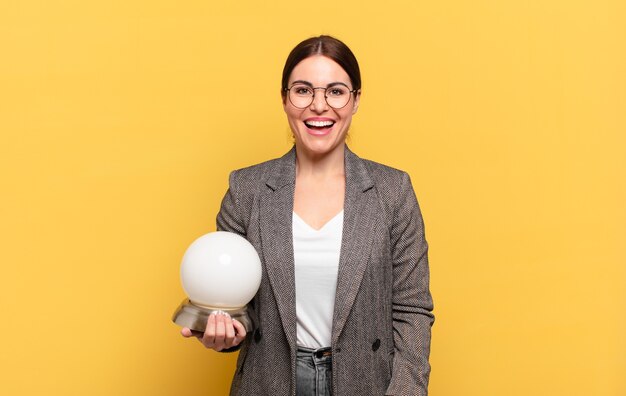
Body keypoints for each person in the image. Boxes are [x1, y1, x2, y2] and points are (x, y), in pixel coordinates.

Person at [181, 35, 434, 396]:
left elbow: (412, 311)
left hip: (367, 383)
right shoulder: (246, 189)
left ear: (356, 99)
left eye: (335, 91)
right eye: (303, 90)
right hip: (270, 383)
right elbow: (231, 301)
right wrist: (221, 333)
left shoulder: (393, 191)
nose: (319, 106)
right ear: (285, 99)